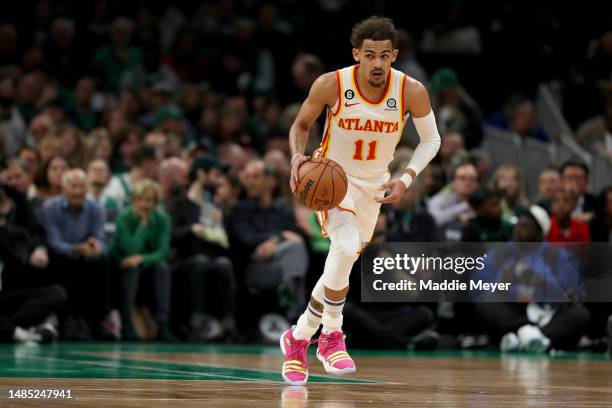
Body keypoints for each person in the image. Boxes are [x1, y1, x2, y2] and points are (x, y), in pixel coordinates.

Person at [284, 16, 440, 385]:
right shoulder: (331, 84)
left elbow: (431, 140)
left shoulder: (411, 90)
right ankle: (332, 337)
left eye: (384, 56)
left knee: (340, 264)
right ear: (357, 54)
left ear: (394, 56)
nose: (377, 63)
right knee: (344, 247)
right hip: (333, 182)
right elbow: (300, 126)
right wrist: (296, 157)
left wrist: (406, 178)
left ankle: (299, 336)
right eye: (369, 55)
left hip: (373, 189)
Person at [40, 169, 110, 340]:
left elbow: (101, 239)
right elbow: (53, 242)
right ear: (63, 188)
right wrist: (75, 248)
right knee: (62, 263)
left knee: (102, 263)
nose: (78, 191)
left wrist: (96, 246)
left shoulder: (96, 208)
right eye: (73, 186)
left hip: (85, 256)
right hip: (61, 257)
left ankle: (95, 321)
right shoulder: (50, 207)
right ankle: (68, 321)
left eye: (82, 186)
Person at [109, 179, 174, 341]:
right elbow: (130, 249)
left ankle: (163, 324)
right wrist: (143, 225)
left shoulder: (162, 219)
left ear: (155, 203)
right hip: (120, 263)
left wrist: (141, 259)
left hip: (146, 264)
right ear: (133, 200)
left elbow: (162, 252)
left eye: (148, 200)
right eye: (139, 200)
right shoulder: (124, 217)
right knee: (131, 269)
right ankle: (127, 325)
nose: (143, 205)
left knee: (162, 268)